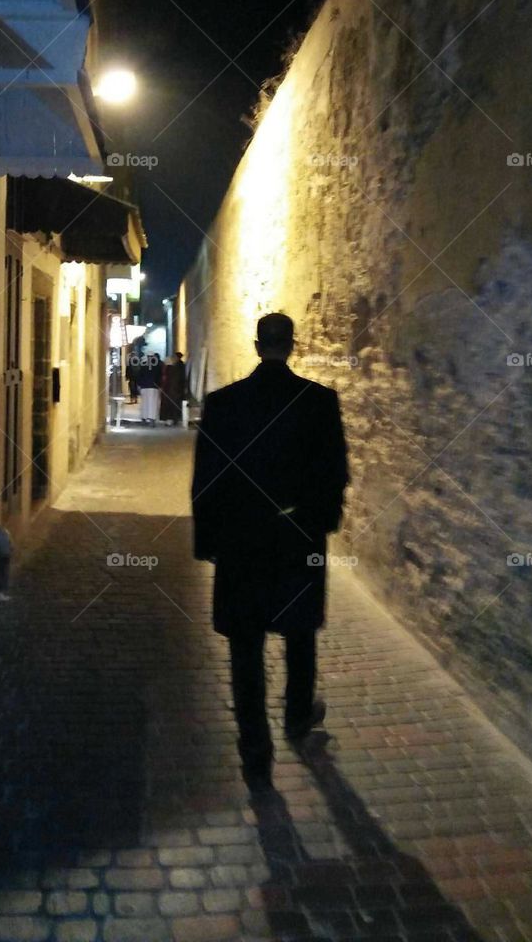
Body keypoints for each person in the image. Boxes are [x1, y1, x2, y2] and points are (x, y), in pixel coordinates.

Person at [191, 312, 349, 790]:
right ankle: (298, 718)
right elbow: (335, 473)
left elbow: (206, 481)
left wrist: (209, 543)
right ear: (291, 346)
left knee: (246, 646)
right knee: (299, 634)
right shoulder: (319, 402)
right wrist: (319, 526)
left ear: (258, 346)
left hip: (243, 543)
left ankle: (255, 752)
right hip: (298, 540)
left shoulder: (223, 405)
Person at [160, 351, 187, 425]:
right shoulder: (177, 366)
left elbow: (177, 379)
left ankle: (172, 419)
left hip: (174, 390)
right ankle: (173, 419)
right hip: (173, 390)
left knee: (173, 405)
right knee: (173, 405)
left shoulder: (177, 367)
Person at [137, 349, 162, 425]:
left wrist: (139, 385)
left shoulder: (143, 365)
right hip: (153, 387)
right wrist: (159, 385)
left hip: (144, 386)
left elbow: (139, 376)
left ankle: (144, 418)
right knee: (153, 403)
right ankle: (152, 418)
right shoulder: (157, 365)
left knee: (145, 403)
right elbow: (159, 376)